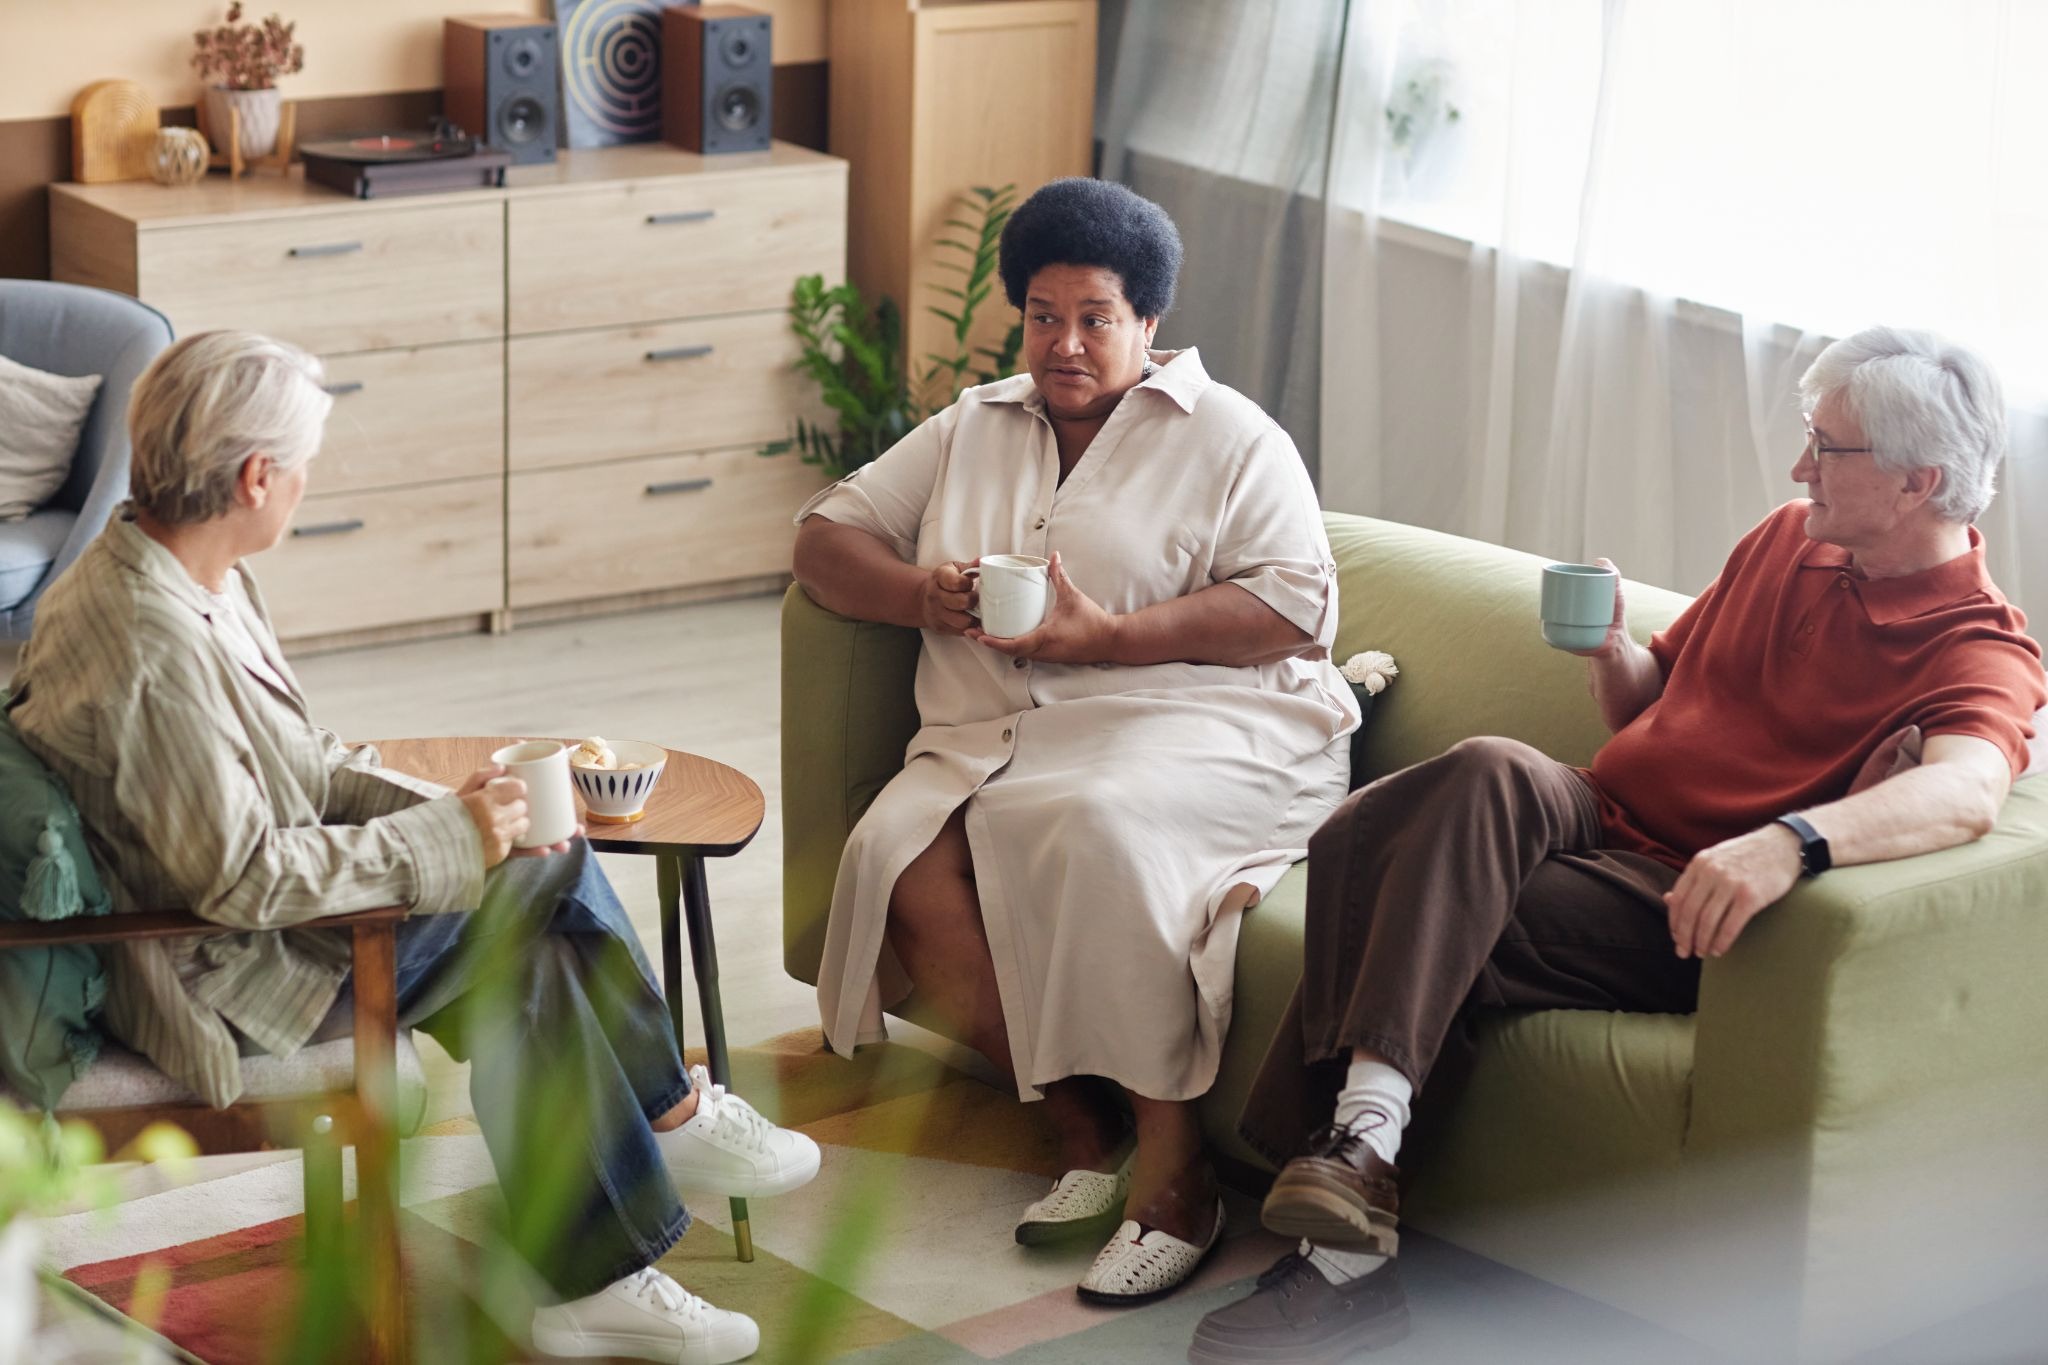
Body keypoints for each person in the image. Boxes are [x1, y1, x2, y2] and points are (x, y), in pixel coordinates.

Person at [1189, 325, 2048, 1363]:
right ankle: (1359, 1150)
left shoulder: (1977, 644)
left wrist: (1787, 842)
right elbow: (1649, 705)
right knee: (1481, 768)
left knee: (1394, 870)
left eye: (1826, 448)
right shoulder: (1786, 537)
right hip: (1592, 812)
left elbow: (1965, 791)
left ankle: (1343, 1256)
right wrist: (1610, 651)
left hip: (1676, 895)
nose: (1797, 467)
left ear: (1918, 481)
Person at [7, 331, 821, 1365]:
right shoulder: (150, 641)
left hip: (260, 924)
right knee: (550, 865)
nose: (304, 485)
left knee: (531, 942)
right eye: (301, 466)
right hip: (222, 973)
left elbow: (302, 757)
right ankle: (665, 1120)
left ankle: (599, 1269)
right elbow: (240, 878)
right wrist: (455, 834)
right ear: (257, 476)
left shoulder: (185, 569)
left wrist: (450, 802)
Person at [791, 176, 1358, 1303]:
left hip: (1197, 720)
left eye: (1095, 318)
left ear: (1147, 324)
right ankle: (1082, 1135)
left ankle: (1176, 1173)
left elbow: (1297, 609)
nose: (1064, 343)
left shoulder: (1231, 437)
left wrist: (1106, 636)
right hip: (998, 730)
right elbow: (822, 540)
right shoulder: (973, 424)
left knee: (1094, 825)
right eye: (1042, 315)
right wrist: (921, 595)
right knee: (897, 849)